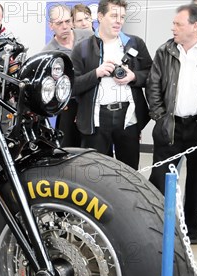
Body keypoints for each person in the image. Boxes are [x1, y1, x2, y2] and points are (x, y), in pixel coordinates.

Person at [70, 0, 152, 170]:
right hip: (96, 120)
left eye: (122, 16)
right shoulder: (82, 49)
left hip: (128, 118)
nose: (119, 21)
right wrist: (96, 73)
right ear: (100, 17)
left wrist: (133, 76)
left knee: (130, 173)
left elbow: (151, 74)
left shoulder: (135, 43)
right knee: (95, 173)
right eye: (114, 15)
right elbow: (72, 86)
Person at [146, 3, 197, 244]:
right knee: (160, 179)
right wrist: (160, 117)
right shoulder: (164, 51)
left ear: (195, 26)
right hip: (170, 126)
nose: (173, 28)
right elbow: (153, 85)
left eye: (178, 24)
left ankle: (193, 228)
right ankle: (159, 227)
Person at [42, 4, 93, 147]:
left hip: (93, 101)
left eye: (67, 21)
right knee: (69, 152)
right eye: (59, 23)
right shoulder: (47, 54)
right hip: (68, 106)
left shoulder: (89, 36)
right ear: (51, 25)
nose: (65, 26)